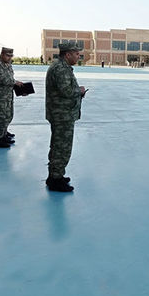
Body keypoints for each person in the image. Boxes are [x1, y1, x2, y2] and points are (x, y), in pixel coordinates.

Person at [45, 42, 86, 192]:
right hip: (61, 115)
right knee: (61, 147)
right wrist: (79, 90)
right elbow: (66, 91)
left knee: (59, 146)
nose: (78, 56)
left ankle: (56, 175)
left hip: (63, 114)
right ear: (67, 54)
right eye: (76, 53)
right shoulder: (60, 69)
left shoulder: (62, 67)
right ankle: (55, 179)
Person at [0, 47, 24, 148]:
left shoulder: (7, 65)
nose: (9, 58)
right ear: (2, 54)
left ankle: (3, 133)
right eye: (7, 55)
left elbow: (10, 80)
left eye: (11, 56)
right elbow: (4, 80)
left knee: (8, 115)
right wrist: (16, 83)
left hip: (8, 95)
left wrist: (21, 90)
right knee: (0, 117)